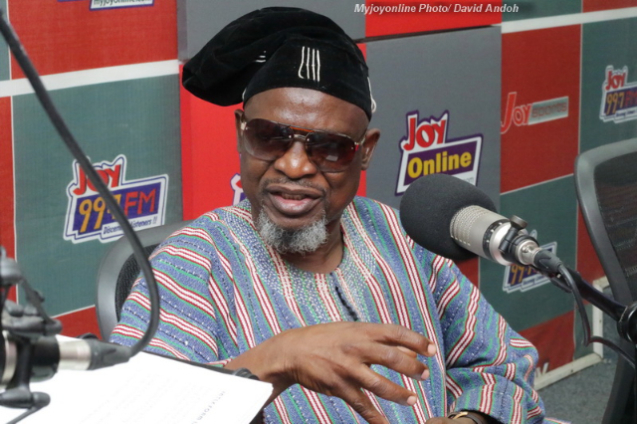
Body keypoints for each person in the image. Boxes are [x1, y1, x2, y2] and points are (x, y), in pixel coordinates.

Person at [111, 7, 566, 424]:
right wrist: (275, 360)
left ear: (365, 151)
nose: (294, 166)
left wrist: (471, 420)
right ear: (241, 134)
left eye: (329, 147)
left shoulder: (398, 234)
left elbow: (501, 361)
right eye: (269, 137)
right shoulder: (194, 262)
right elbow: (136, 409)